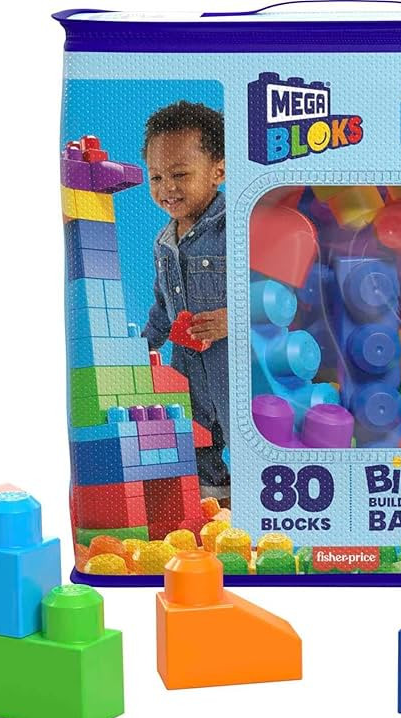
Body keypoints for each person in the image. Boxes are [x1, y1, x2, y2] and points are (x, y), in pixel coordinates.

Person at [141, 100, 230, 504]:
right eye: (156, 177)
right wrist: (141, 348)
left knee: (241, 428)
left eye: (180, 174)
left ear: (218, 171)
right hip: (186, 365)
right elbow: (163, 305)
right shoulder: (164, 242)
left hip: (232, 361)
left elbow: (272, 288)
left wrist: (235, 317)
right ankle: (212, 505)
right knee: (194, 436)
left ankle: (258, 504)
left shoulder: (237, 226)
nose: (167, 188)